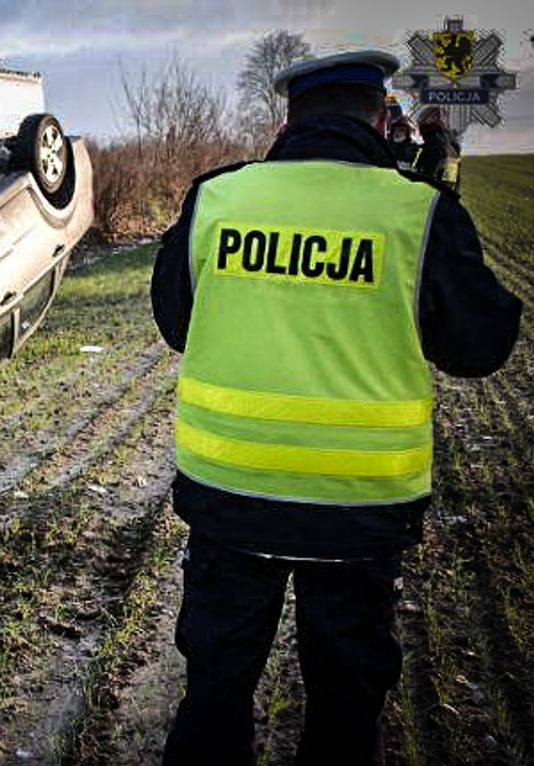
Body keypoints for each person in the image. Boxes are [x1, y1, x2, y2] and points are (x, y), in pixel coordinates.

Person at [150, 49, 522, 766]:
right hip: (358, 511)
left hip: (231, 500)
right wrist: (445, 191)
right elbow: (483, 345)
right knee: (347, 712)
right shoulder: (417, 212)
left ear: (286, 122)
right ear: (383, 120)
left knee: (215, 698)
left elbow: (173, 320)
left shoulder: (220, 198)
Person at [415, 106, 461, 187]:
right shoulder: (450, 147)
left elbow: (426, 177)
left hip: (432, 194)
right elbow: (451, 180)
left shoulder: (436, 148)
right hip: (443, 193)